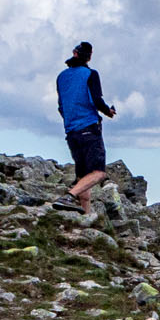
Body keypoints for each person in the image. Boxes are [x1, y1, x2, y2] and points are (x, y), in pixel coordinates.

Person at [54, 41, 116, 214]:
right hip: (89, 127)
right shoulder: (90, 74)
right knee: (98, 173)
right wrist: (108, 111)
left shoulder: (61, 77)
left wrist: (70, 120)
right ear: (89, 57)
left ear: (74, 54)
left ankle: (85, 219)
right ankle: (68, 196)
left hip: (71, 131)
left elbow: (61, 106)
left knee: (83, 177)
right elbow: (96, 100)